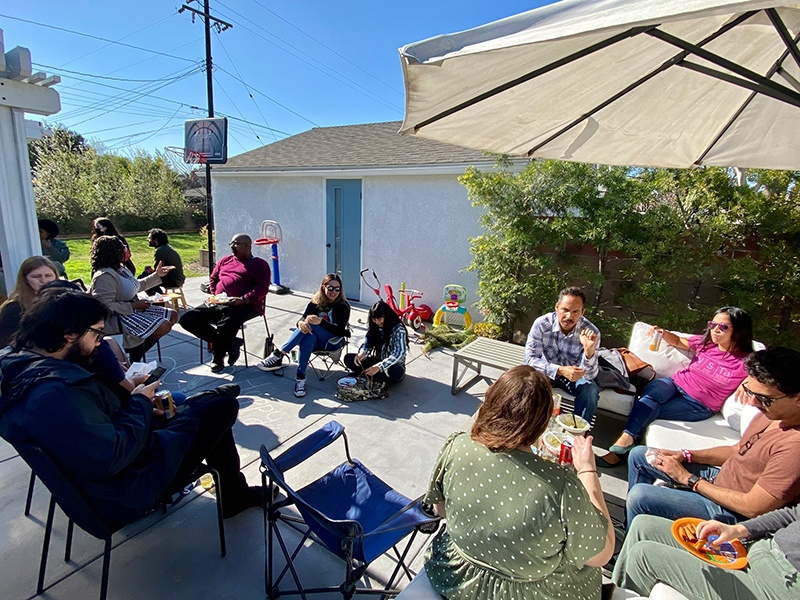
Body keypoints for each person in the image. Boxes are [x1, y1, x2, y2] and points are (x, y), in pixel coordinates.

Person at [0, 291, 262, 527]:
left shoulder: (18, 366)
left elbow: (90, 425)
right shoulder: (52, 393)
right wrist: (138, 403)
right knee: (222, 409)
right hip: (126, 488)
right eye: (97, 333)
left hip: (97, 479)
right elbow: (112, 454)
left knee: (205, 409)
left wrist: (139, 406)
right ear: (69, 333)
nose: (100, 342)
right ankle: (234, 493)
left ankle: (206, 408)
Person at [423, 365, 614, 600]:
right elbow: (602, 553)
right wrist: (587, 470)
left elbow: (440, 509)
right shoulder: (560, 486)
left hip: (453, 576)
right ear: (542, 424)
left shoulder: (457, 446)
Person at [624, 347, 800, 529]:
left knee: (640, 496)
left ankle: (632, 541)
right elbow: (735, 450)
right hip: (720, 480)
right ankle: (628, 526)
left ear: (798, 398)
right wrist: (685, 455)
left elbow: (752, 508)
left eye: (764, 399)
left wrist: (688, 478)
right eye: (750, 392)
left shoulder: (794, 448)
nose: (753, 403)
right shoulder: (773, 414)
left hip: (732, 513)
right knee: (640, 456)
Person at [600, 307, 754, 466]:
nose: (715, 330)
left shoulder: (747, 359)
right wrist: (663, 333)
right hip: (676, 383)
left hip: (699, 404)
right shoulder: (706, 344)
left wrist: (747, 382)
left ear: (739, 330)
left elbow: (766, 375)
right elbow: (679, 341)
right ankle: (626, 441)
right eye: (712, 324)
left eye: (723, 327)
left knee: (650, 409)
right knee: (652, 393)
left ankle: (621, 448)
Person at [612, 509, 799, 600]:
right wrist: (737, 529)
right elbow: (792, 514)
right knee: (644, 525)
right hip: (756, 548)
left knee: (644, 556)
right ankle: (609, 593)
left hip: (775, 587)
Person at [179, 234, 271, 373]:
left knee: (227, 323)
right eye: (231, 243)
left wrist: (244, 299)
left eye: (236, 244)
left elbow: (262, 288)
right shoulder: (225, 260)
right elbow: (213, 278)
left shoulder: (260, 265)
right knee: (187, 319)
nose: (232, 247)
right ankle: (231, 343)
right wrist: (216, 294)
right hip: (219, 301)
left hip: (246, 304)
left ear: (247, 246)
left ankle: (218, 356)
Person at [258, 274, 350, 398]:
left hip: (333, 341)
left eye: (337, 289)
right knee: (308, 335)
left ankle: (279, 354)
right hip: (315, 340)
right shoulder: (315, 302)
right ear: (323, 287)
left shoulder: (343, 306)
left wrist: (320, 322)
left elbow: (340, 330)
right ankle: (300, 378)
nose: (334, 292)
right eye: (330, 288)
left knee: (311, 324)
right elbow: (302, 319)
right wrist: (300, 323)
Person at [89, 235, 178, 363]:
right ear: (113, 252)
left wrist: (157, 275)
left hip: (133, 310)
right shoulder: (104, 276)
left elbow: (136, 286)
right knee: (163, 325)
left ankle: (138, 351)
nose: (125, 249)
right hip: (117, 316)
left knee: (173, 315)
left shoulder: (121, 269)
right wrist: (134, 306)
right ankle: (135, 357)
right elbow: (103, 304)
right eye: (122, 247)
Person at [524, 286, 600, 422]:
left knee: (590, 389)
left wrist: (589, 351)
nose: (569, 316)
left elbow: (590, 375)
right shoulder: (542, 324)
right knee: (529, 382)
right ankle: (530, 424)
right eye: (565, 310)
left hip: (574, 376)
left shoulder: (591, 332)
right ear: (557, 307)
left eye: (575, 312)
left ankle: (578, 433)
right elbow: (529, 360)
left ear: (583, 312)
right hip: (547, 371)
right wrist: (559, 370)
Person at [343, 300, 407, 385]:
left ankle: (369, 375)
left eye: (380, 319)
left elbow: (399, 353)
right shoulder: (374, 326)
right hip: (377, 360)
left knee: (396, 372)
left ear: (386, 317)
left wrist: (379, 367)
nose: (377, 322)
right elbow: (367, 344)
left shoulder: (398, 329)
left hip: (392, 365)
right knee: (348, 359)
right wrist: (362, 354)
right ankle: (371, 376)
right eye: (374, 319)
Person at [0, 256, 59, 347]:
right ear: (25, 279)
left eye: (48, 276)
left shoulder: (60, 301)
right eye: (36, 276)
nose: (43, 281)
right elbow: (7, 343)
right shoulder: (14, 307)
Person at [141, 228, 185, 294]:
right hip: (178, 279)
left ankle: (159, 300)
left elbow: (157, 271)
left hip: (173, 281)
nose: (147, 240)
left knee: (143, 278)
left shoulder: (160, 251)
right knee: (147, 276)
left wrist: (149, 271)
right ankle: (159, 297)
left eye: (149, 238)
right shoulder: (167, 247)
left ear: (156, 240)